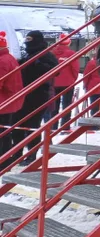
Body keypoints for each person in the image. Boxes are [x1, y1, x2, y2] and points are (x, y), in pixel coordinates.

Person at [16, 30, 57, 164]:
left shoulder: (46, 55)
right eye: (26, 39)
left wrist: (39, 65)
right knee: (19, 124)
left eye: (30, 39)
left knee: (32, 125)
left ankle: (31, 155)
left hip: (39, 94)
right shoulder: (27, 54)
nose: (27, 42)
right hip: (24, 94)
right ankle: (17, 153)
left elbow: (56, 70)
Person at [0, 31, 24, 172]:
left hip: (3, 102)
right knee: (5, 133)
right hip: (9, 101)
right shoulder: (9, 58)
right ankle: (6, 159)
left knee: (3, 134)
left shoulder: (2, 61)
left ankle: (4, 161)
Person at [48, 33, 79, 128]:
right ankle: (65, 126)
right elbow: (75, 69)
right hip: (68, 83)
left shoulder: (51, 53)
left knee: (54, 106)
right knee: (67, 105)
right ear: (69, 43)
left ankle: (53, 126)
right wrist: (73, 79)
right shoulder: (71, 54)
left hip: (54, 83)